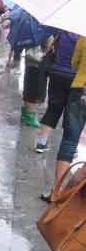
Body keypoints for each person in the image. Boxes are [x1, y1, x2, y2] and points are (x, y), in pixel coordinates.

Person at [41, 35, 86, 203]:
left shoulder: (84, 34)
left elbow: (75, 63)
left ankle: (57, 193)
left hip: (81, 89)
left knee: (70, 139)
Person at [36, 31, 79, 153]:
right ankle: (70, 148)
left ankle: (41, 143)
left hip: (57, 73)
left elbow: (52, 48)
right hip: (77, 78)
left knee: (53, 108)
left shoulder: (63, 31)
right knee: (73, 114)